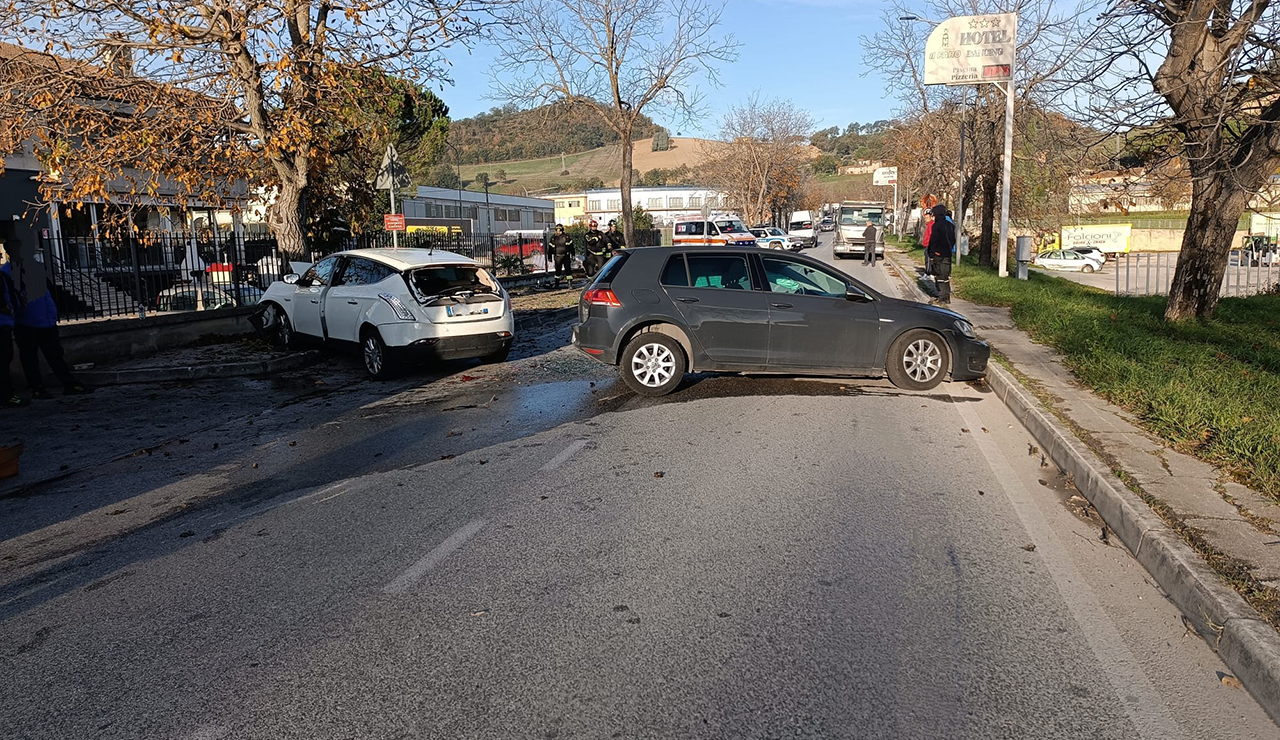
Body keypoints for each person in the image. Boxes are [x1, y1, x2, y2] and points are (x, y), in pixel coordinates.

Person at [13, 273, 89, 398]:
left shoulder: (37, 271)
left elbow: (51, 293)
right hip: (26, 324)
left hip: (46, 321)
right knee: (30, 358)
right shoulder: (9, 273)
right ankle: (38, 388)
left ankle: (69, 384)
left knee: (55, 355)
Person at [0, 259, 23, 408]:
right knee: (3, 360)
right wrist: (9, 310)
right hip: (2, 324)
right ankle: (7, 396)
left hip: (5, 323)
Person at [926, 203, 956, 304]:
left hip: (938, 254)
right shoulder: (950, 225)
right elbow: (953, 240)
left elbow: (933, 240)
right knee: (945, 275)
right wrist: (949, 248)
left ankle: (941, 296)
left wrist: (931, 254)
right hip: (947, 254)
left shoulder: (936, 226)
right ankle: (946, 296)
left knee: (939, 275)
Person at [922, 211, 935, 276]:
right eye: (925, 218)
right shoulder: (928, 225)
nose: (925, 219)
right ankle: (928, 272)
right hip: (926, 244)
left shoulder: (931, 224)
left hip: (929, 244)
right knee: (927, 259)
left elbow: (930, 235)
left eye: (927, 218)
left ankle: (928, 273)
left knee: (928, 260)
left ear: (931, 217)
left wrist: (928, 243)